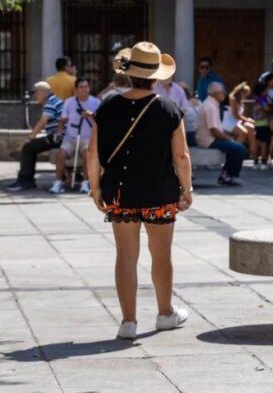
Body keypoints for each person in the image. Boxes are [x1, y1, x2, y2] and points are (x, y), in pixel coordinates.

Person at [86, 42, 191, 340]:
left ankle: (128, 322)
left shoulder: (107, 108)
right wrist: (187, 188)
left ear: (129, 74)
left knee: (125, 256)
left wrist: (95, 188)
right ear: (156, 77)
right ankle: (165, 313)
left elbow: (92, 153)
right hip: (160, 192)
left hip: (120, 193)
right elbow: (182, 156)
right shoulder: (170, 109)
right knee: (161, 255)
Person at [5, 82, 64, 192]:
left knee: (28, 147)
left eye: (36, 93)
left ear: (41, 92)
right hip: (59, 137)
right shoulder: (54, 100)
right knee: (30, 147)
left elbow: (42, 122)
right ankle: (25, 179)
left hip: (58, 138)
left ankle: (26, 181)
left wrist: (30, 137)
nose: (35, 96)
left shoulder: (50, 102)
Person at [51, 77, 100, 195]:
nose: (84, 89)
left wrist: (91, 115)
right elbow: (63, 120)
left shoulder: (96, 102)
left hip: (87, 138)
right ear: (76, 90)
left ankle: (85, 182)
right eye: (81, 87)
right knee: (61, 155)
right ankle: (58, 182)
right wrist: (59, 131)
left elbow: (100, 121)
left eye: (86, 87)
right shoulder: (69, 102)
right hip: (70, 137)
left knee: (87, 155)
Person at [197, 81, 247, 185]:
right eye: (222, 92)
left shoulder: (211, 104)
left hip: (210, 138)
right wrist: (228, 139)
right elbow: (214, 130)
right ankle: (230, 176)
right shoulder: (210, 107)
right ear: (215, 93)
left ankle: (225, 175)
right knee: (240, 149)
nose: (224, 94)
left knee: (234, 147)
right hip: (209, 140)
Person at [223, 82, 256, 152]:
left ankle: (252, 153)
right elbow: (236, 115)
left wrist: (247, 120)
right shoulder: (233, 99)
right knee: (243, 132)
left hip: (236, 122)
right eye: (245, 94)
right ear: (240, 92)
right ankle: (235, 151)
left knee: (251, 127)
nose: (246, 96)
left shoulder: (241, 101)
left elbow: (240, 116)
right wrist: (247, 120)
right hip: (228, 122)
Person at [252, 76, 273, 168]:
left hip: (257, 124)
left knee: (257, 142)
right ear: (262, 91)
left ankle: (255, 161)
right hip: (263, 124)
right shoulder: (262, 99)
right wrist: (272, 107)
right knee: (263, 143)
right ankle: (263, 161)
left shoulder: (257, 99)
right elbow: (266, 108)